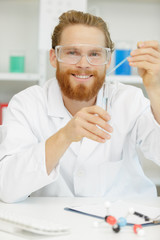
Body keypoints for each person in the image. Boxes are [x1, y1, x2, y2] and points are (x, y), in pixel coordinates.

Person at [0, 10, 160, 203]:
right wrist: (65, 136)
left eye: (94, 54)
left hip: (126, 224)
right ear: (53, 57)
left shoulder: (128, 100)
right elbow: (7, 189)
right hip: (55, 225)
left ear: (108, 61)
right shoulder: (27, 104)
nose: (83, 64)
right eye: (72, 53)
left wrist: (156, 89)